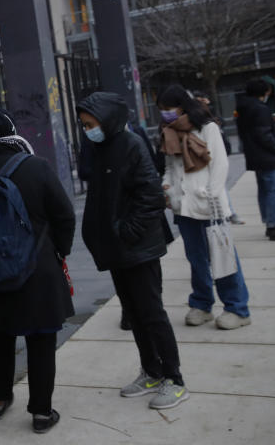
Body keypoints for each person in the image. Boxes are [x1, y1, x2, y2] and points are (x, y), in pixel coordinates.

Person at [0, 109, 74, 434]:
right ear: (12, 132)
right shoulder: (36, 167)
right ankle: (42, 412)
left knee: (1, 334)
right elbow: (64, 215)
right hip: (38, 268)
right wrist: (59, 250)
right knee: (41, 337)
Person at [77, 91, 188, 410]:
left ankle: (174, 379)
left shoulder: (131, 145)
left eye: (90, 123)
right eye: (84, 125)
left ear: (107, 118)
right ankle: (151, 371)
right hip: (118, 250)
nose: (87, 130)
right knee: (135, 314)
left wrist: (126, 233)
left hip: (137, 248)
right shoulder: (101, 148)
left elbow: (150, 197)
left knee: (152, 314)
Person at [159, 85, 251, 330]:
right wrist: (166, 186)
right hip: (183, 207)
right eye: (162, 110)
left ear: (181, 106)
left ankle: (237, 308)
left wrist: (209, 194)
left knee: (223, 257)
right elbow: (169, 167)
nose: (165, 114)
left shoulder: (208, 128)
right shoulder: (168, 132)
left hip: (210, 206)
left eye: (168, 109)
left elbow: (220, 166)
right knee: (196, 259)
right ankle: (201, 304)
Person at [236, 79, 275, 241]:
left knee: (265, 190)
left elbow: (254, 131)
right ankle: (273, 225)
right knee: (274, 190)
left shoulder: (244, 107)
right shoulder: (259, 108)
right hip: (266, 155)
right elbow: (263, 134)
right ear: (263, 92)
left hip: (256, 155)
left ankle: (270, 223)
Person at [191, 90, 244, 225]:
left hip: (216, 153)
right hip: (206, 160)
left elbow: (220, 122)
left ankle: (229, 213)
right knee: (219, 186)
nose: (201, 101)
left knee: (220, 185)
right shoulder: (194, 116)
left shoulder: (209, 117)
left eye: (202, 99)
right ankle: (228, 213)